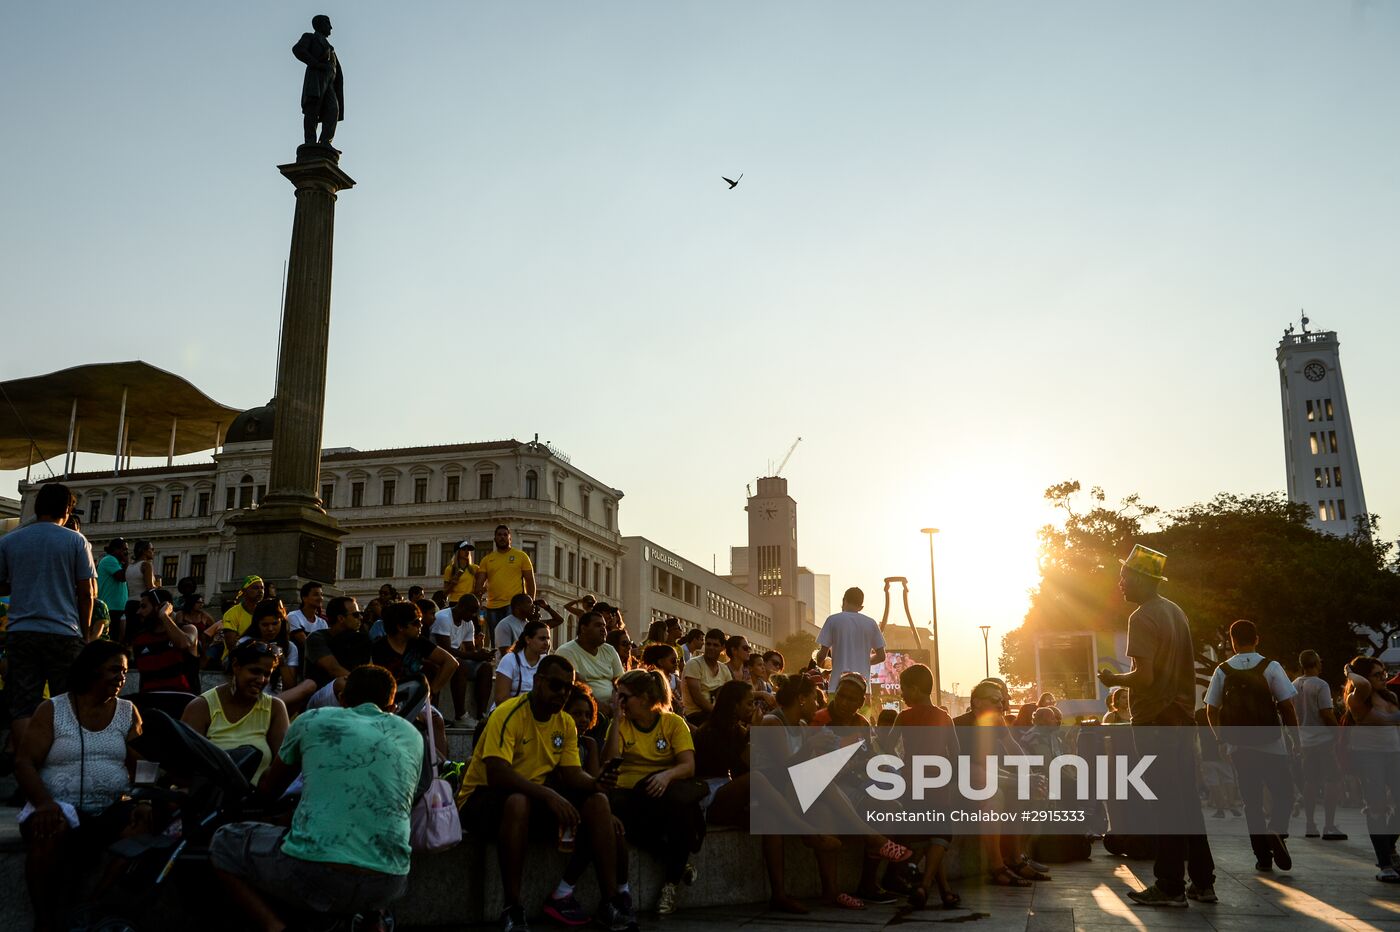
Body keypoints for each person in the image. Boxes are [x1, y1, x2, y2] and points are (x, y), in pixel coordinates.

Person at [212, 666, 421, 930]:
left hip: (316, 874)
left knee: (223, 842)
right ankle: (374, 922)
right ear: (391, 708)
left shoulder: (313, 719)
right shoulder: (411, 735)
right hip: (392, 880)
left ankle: (276, 928)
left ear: (342, 700)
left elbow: (268, 791)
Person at [457, 655, 634, 932]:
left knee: (598, 803)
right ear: (538, 682)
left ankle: (610, 903)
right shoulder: (508, 714)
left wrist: (596, 783)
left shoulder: (564, 723)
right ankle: (512, 908)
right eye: (555, 685)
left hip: (533, 797)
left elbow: (573, 774)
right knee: (518, 802)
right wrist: (549, 795)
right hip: (483, 799)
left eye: (567, 687)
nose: (562, 693)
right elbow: (497, 773)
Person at [1099, 544, 1215, 907]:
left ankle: (1169, 885)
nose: (1120, 583)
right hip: (1181, 717)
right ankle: (1203, 882)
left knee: (1165, 803)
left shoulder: (1142, 617)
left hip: (1154, 721)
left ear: (1141, 579)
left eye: (1124, 577)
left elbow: (1146, 677)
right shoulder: (1175, 612)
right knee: (1187, 801)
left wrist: (1114, 679)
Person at [15, 641, 144, 932]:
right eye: (114, 670)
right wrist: (44, 803)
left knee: (144, 824)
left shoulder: (128, 711)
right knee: (49, 826)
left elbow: (142, 765)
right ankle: (45, 920)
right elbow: (24, 763)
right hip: (58, 807)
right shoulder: (53, 709)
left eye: (124, 671)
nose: (121, 678)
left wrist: (145, 801)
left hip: (111, 809)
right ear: (91, 670)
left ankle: (93, 906)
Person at [0, 483, 98, 755]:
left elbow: (1, 586)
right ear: (67, 510)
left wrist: (22, 582)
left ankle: (27, 766)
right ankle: (59, 764)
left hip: (21, 632)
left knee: (24, 705)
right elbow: (87, 593)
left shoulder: (9, 541)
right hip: (64, 632)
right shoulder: (75, 541)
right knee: (65, 702)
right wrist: (86, 634)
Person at [1204, 619, 1298, 872]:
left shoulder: (1223, 670)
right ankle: (1276, 830)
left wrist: (1221, 739)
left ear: (1232, 642)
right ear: (1257, 638)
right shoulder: (1271, 666)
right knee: (1285, 793)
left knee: (1252, 802)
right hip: (1272, 744)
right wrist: (1295, 738)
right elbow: (1287, 706)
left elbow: (1211, 710)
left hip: (1239, 747)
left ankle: (1263, 858)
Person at [605, 669, 701, 915]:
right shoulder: (621, 725)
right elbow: (611, 761)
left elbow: (688, 766)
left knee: (682, 812)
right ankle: (678, 864)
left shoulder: (673, 723)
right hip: (627, 796)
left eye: (625, 697)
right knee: (625, 815)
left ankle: (670, 885)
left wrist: (666, 775)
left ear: (645, 698)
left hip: (664, 794)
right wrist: (615, 719)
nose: (620, 702)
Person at [895, 663, 959, 911]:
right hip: (937, 782)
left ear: (915, 689)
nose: (901, 694)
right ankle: (930, 887)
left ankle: (938, 889)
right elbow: (956, 754)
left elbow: (888, 746)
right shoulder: (945, 717)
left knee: (932, 837)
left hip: (911, 782)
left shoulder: (903, 716)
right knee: (941, 836)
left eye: (903, 689)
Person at [182, 641, 290, 782]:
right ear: (236, 666)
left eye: (267, 674)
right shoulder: (202, 707)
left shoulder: (274, 708)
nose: (261, 680)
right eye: (255, 671)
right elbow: (183, 765)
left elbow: (284, 764)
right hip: (212, 799)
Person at [1341, 656, 1400, 882]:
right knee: (1377, 807)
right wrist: (1349, 673)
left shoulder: (1390, 696)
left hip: (1394, 754)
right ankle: (1385, 863)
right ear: (1364, 677)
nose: (1383, 678)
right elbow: (1364, 686)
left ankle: (1388, 847)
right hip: (1369, 756)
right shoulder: (1357, 698)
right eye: (1377, 674)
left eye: (1384, 673)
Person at [1292, 649, 1346, 840]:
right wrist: (1338, 734)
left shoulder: (1294, 685)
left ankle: (1310, 824)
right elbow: (1326, 712)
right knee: (1333, 779)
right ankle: (1329, 825)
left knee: (1310, 781)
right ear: (1315, 663)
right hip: (1324, 739)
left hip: (1305, 740)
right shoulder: (1320, 685)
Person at [693, 680, 753, 827]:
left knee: (770, 817)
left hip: (727, 789)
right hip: (709, 796)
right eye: (749, 704)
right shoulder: (711, 731)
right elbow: (744, 767)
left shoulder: (737, 729)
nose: (753, 708)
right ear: (734, 705)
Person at [371, 601, 458, 701]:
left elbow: (451, 663)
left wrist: (431, 693)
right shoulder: (378, 648)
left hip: (417, 701)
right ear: (400, 627)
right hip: (390, 704)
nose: (421, 625)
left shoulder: (419, 642)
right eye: (416, 623)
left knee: (437, 717)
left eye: (420, 621)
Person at [432, 593, 494, 725]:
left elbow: (470, 650)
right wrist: (474, 655)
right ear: (462, 607)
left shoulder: (468, 623)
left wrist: (482, 654)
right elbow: (445, 649)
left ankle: (481, 715)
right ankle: (460, 715)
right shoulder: (443, 618)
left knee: (486, 667)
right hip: (437, 658)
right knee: (459, 664)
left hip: (456, 658)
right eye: (471, 611)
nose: (473, 615)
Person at [476, 525, 537, 647]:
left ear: (510, 538)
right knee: (496, 639)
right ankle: (499, 664)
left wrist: (531, 605)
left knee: (515, 638)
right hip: (492, 606)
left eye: (505, 535)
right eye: (499, 535)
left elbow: (530, 581)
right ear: (495, 539)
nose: (502, 537)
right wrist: (479, 601)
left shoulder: (521, 556)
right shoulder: (487, 560)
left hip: (514, 606)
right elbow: (479, 584)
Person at [130, 588, 200, 694]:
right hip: (150, 701)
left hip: (183, 700)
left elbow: (183, 644)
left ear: (161, 606)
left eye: (144, 606)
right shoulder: (140, 639)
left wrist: (164, 616)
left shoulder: (188, 629)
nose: (139, 611)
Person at [554, 610, 625, 712]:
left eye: (604, 626)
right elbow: (578, 686)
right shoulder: (567, 651)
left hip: (613, 706)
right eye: (598, 625)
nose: (603, 629)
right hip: (585, 708)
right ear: (583, 628)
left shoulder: (609, 649)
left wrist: (617, 703)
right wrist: (599, 707)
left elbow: (620, 681)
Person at [816, 587, 886, 686]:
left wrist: (820, 663)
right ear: (861, 607)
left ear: (844, 600)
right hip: (862, 688)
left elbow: (822, 655)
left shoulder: (832, 620)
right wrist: (863, 661)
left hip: (837, 687)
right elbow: (881, 656)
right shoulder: (871, 623)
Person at [292, 14, 343, 149]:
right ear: (320, 25)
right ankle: (310, 142)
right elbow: (297, 49)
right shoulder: (310, 37)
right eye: (328, 23)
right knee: (312, 109)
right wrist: (315, 63)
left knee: (333, 110)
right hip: (316, 78)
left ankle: (326, 142)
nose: (331, 27)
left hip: (330, 83)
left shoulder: (331, 48)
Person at [304, 596, 372, 692]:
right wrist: (367, 688)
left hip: (351, 689)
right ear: (341, 618)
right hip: (322, 691)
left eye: (361, 614)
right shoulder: (317, 638)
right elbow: (334, 670)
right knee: (342, 683)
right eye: (356, 615)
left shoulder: (359, 639)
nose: (361, 617)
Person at [493, 620, 550, 711]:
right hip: (507, 713)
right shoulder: (510, 660)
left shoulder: (547, 662)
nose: (546, 643)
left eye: (548, 638)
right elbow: (500, 699)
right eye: (542, 639)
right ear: (528, 639)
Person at [681, 628, 732, 725]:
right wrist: (719, 714)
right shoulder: (694, 664)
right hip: (695, 716)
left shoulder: (724, 668)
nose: (711, 648)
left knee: (761, 722)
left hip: (715, 716)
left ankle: (760, 738)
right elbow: (697, 698)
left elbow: (731, 694)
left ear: (722, 648)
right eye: (708, 644)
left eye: (715, 645)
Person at [494, 593, 564, 656]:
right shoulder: (505, 625)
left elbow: (559, 620)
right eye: (529, 603)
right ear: (518, 606)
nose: (533, 606)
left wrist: (547, 607)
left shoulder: (530, 625)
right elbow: (505, 653)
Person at [286, 582, 327, 671]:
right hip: (298, 666)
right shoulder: (293, 616)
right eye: (316, 595)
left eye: (321, 595)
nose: (320, 598)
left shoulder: (322, 623)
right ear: (304, 598)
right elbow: (305, 642)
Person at [221, 576, 266, 656]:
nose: (260, 591)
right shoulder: (231, 613)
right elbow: (231, 645)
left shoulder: (267, 611)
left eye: (262, 588)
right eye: (255, 588)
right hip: (235, 656)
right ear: (244, 591)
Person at [96, 538, 129, 643]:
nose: (126, 552)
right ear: (115, 549)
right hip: (111, 608)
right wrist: (127, 561)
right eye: (124, 549)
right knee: (113, 639)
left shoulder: (117, 563)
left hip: (118, 608)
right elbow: (122, 577)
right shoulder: (109, 560)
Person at [123, 541, 160, 633]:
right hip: (142, 605)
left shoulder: (130, 566)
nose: (153, 551)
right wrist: (157, 587)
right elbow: (149, 588)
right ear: (144, 551)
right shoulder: (146, 565)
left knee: (131, 635)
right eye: (151, 549)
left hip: (129, 603)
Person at [642, 643, 681, 709]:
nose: (676, 664)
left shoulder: (675, 679)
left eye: (677, 661)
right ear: (661, 662)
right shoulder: (652, 680)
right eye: (673, 661)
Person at [442, 540, 480, 605]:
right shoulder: (450, 569)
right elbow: (445, 592)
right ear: (457, 552)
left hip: (469, 601)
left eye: (468, 550)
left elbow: (480, 585)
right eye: (464, 549)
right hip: (455, 602)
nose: (467, 552)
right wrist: (453, 583)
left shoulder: (475, 568)